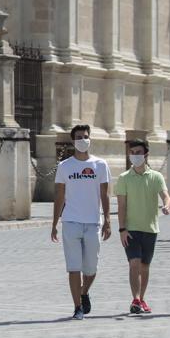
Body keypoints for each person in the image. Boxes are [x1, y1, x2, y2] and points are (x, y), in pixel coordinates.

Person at [51, 124, 111, 320]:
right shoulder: (65, 166)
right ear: (73, 141)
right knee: (73, 267)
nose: (83, 140)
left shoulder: (100, 165)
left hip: (93, 222)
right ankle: (77, 307)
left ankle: (84, 292)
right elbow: (59, 196)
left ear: (90, 138)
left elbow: (105, 194)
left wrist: (108, 219)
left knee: (91, 269)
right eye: (78, 137)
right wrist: (54, 223)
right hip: (71, 222)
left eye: (85, 136)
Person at [114, 140, 170, 315]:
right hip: (131, 230)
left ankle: (142, 298)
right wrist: (122, 229)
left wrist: (167, 206)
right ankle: (135, 299)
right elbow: (121, 206)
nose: (135, 155)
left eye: (138, 152)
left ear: (146, 154)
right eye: (132, 152)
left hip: (150, 229)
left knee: (145, 266)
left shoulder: (156, 177)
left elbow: (166, 196)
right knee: (134, 264)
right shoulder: (124, 178)